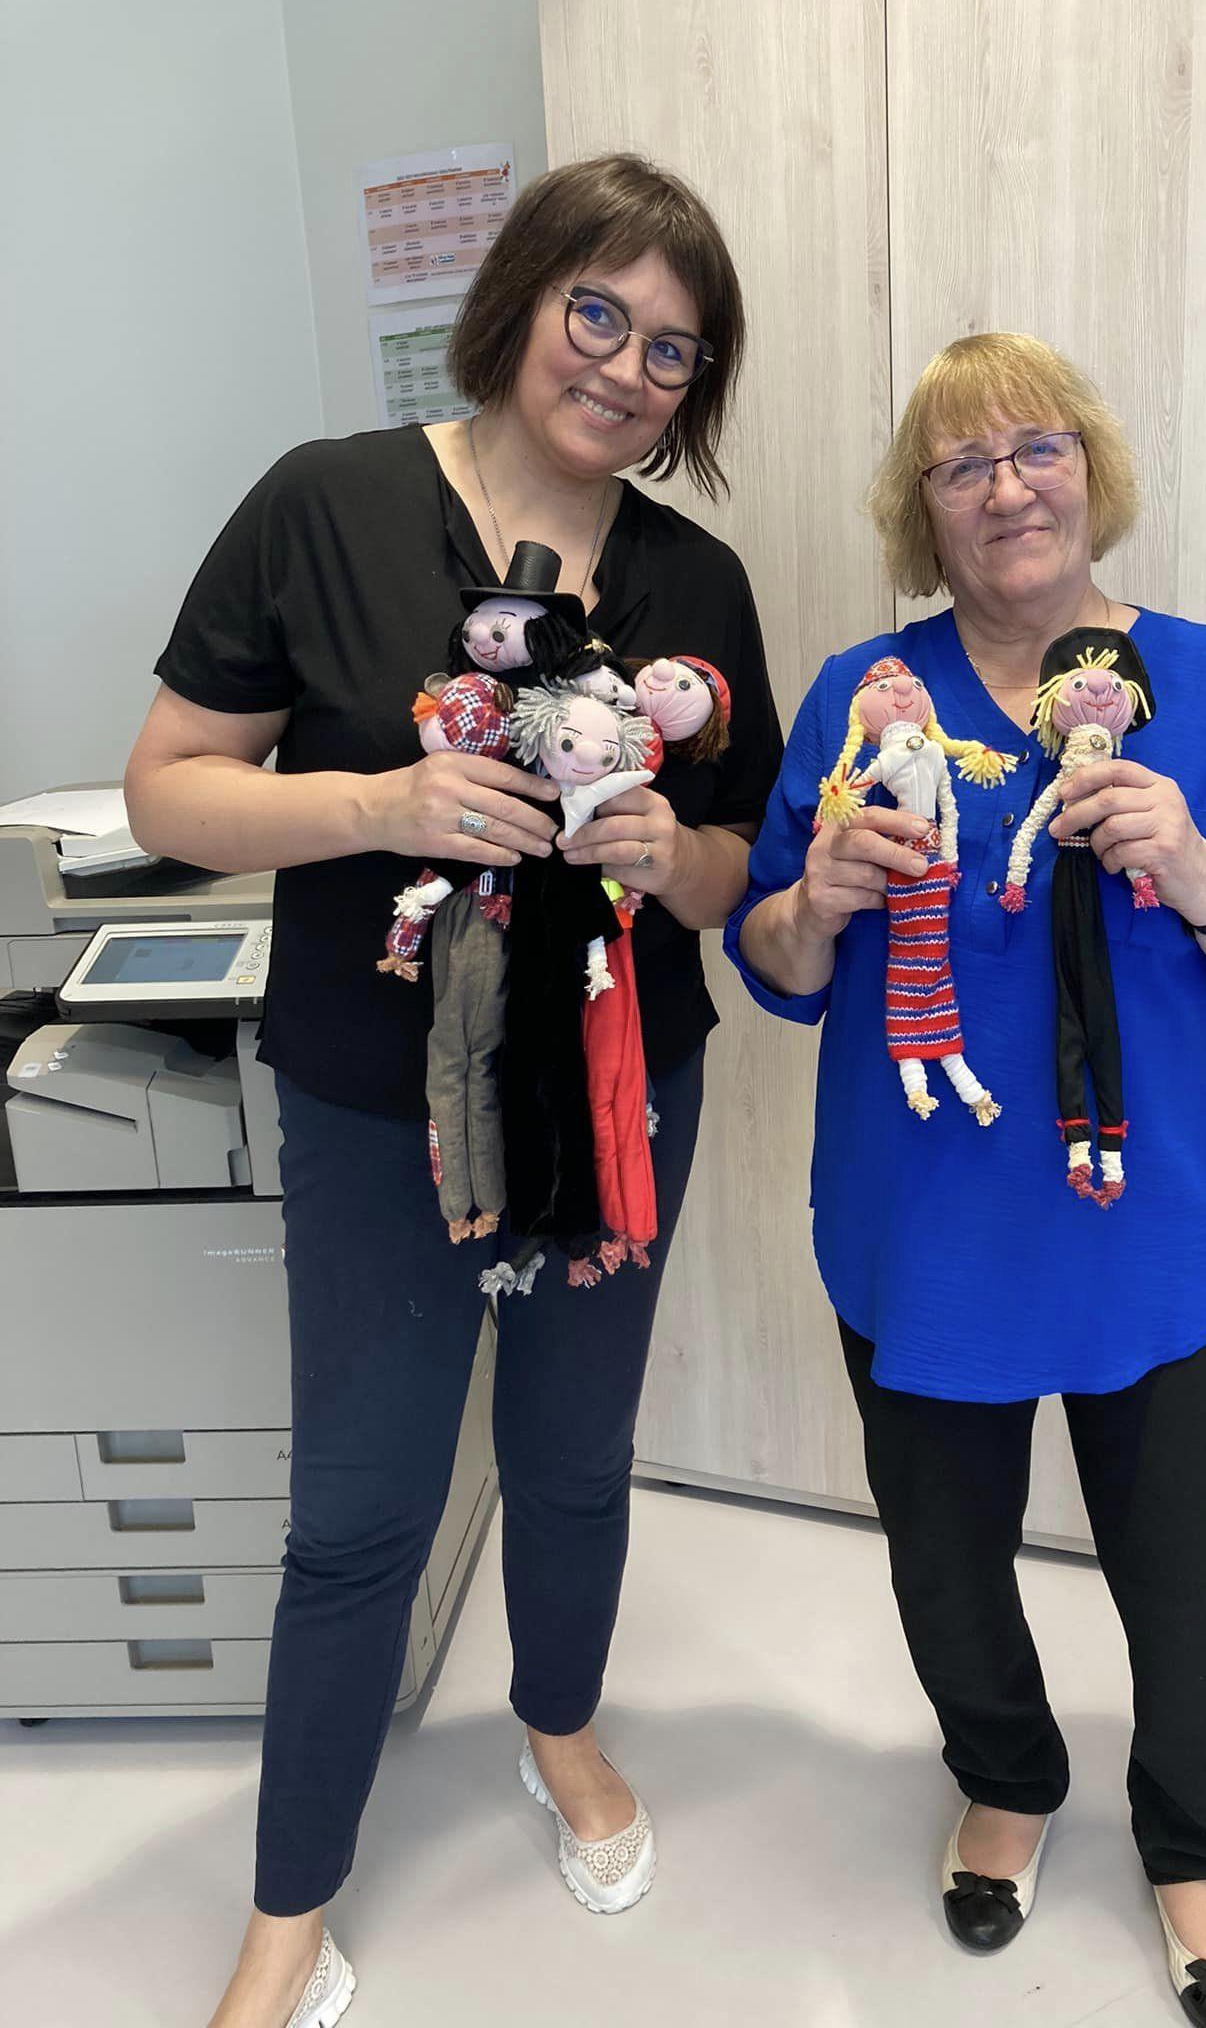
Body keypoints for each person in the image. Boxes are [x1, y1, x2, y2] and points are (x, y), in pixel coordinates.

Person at [125, 153, 782, 2028]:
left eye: (674, 348)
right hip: (375, 1103)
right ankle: (289, 1905)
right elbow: (169, 788)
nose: (627, 368)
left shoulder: (697, 580)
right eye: (600, 313)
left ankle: (558, 1726)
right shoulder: (325, 505)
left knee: (573, 1460)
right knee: (361, 1510)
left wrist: (676, 854)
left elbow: (748, 869)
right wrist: (373, 805)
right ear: (521, 299)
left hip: (620, 1096)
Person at [728, 332, 1206, 2027]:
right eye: (963, 464)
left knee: (1195, 1581)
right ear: (923, 510)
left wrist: (1204, 869)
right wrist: (817, 898)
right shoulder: (865, 697)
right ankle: (1007, 1780)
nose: (1007, 487)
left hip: (1154, 1239)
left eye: (1037, 449)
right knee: (943, 1563)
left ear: (1092, 470)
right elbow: (776, 966)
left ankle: (1196, 1840)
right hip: (925, 1238)